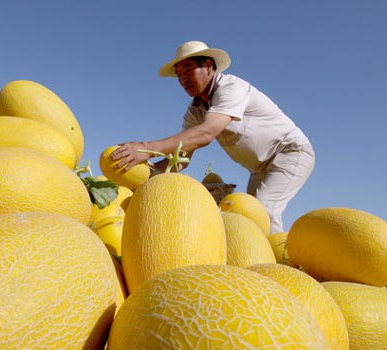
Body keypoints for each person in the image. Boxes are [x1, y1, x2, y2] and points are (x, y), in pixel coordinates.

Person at [110, 40, 315, 233]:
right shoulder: (195, 111)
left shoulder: (231, 87)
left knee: (263, 211)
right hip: (259, 168)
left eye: (188, 70)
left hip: (290, 152)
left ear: (208, 66)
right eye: (179, 75)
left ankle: (277, 268)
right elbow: (182, 158)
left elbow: (206, 133)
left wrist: (146, 148)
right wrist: (147, 173)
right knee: (249, 221)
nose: (183, 80)